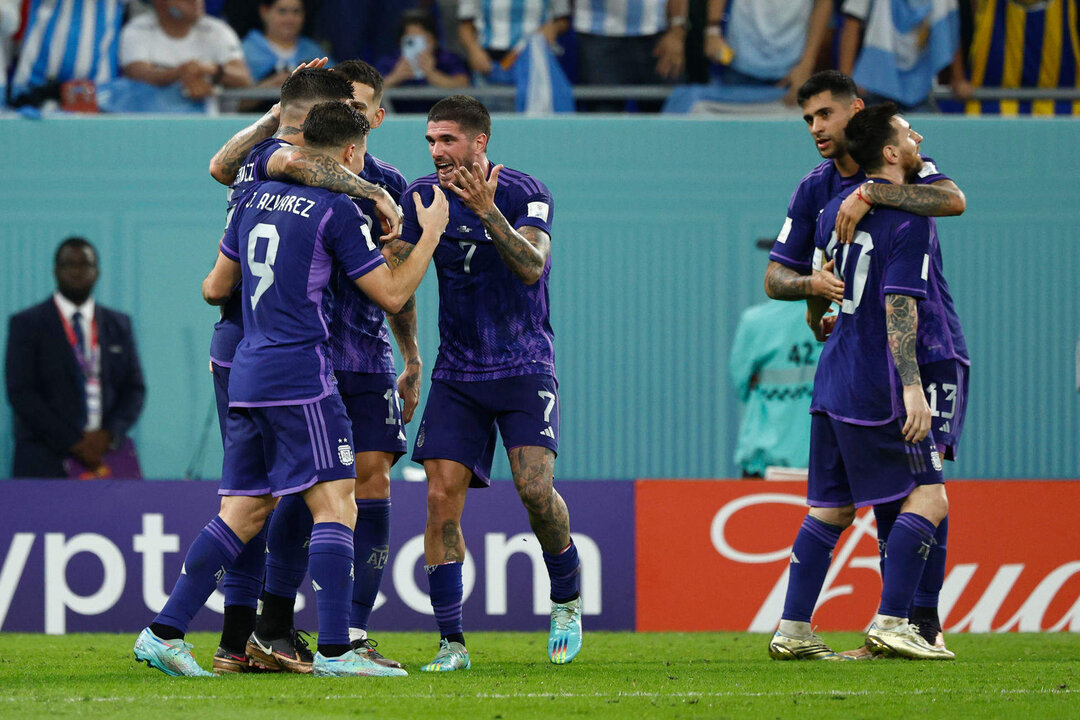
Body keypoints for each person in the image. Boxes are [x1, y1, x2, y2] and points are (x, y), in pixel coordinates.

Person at [133, 100, 446, 678]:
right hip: (301, 371)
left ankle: (163, 631)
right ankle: (336, 650)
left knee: (246, 510)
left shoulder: (250, 198)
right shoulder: (337, 209)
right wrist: (428, 236)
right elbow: (392, 294)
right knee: (336, 500)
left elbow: (213, 287)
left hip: (246, 367)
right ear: (351, 153)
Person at [202, 65, 405, 675]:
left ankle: (275, 635)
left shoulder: (382, 176)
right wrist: (365, 190)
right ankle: (265, 633)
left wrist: (411, 352)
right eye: (341, 105)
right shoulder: (280, 159)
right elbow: (252, 165)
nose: (352, 114)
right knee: (271, 497)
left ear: (374, 116)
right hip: (286, 352)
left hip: (332, 352)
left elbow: (393, 280)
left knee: (306, 493)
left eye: (361, 106)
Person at [764, 70, 969, 654]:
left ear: (856, 112)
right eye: (807, 119)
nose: (816, 128)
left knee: (858, 498)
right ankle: (897, 621)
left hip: (912, 354)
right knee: (923, 490)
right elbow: (784, 275)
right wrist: (812, 291)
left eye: (823, 115)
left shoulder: (905, 176)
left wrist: (873, 190)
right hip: (886, 361)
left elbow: (954, 199)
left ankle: (875, 625)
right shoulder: (819, 192)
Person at [400, 95, 582, 671]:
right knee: (438, 499)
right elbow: (399, 279)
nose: (437, 152)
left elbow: (532, 266)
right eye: (431, 141)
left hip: (524, 365)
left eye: (447, 140)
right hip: (457, 373)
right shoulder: (421, 196)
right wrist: (410, 355)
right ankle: (451, 643)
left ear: (480, 142)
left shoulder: (526, 192)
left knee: (534, 491)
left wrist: (485, 212)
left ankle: (566, 600)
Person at [5, 238, 146, 479]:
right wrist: (74, 442)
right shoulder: (27, 324)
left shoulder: (118, 324)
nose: (77, 271)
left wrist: (108, 435)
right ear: (55, 271)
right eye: (69, 264)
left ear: (97, 271)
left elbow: (134, 389)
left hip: (105, 455)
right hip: (44, 460)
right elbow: (22, 393)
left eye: (85, 264)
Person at [729, 240, 818, 478]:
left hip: (767, 464)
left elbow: (742, 386)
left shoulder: (756, 322)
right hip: (831, 466)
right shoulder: (842, 318)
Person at [838, 0, 968, 112]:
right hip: (874, 88)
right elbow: (852, 23)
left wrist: (958, 78)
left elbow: (950, 29)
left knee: (930, 138)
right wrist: (847, 82)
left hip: (920, 91)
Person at [119, 0, 252, 106]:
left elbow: (243, 78)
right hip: (148, 119)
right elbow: (137, 72)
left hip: (208, 120)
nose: (197, 1)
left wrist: (207, 69)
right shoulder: (137, 29)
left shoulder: (218, 30)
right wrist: (180, 73)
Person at [704, 0, 832, 105]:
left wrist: (806, 65)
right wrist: (712, 29)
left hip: (790, 70)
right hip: (738, 59)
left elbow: (824, 3)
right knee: (729, 133)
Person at [573, 0, 688, 112]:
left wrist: (677, 31)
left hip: (658, 35)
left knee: (669, 114)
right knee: (604, 117)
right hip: (596, 34)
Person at [378, 9, 469, 114]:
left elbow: (463, 84)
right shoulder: (390, 61)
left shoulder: (448, 59)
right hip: (399, 120)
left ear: (434, 40)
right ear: (401, 41)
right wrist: (395, 77)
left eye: (422, 39)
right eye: (411, 40)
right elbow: (370, 89)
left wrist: (432, 74)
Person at [242, 0, 331, 94]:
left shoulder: (313, 50)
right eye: (282, 11)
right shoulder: (244, 51)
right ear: (264, 12)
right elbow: (236, 102)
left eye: (296, 11)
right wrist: (269, 85)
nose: (290, 19)